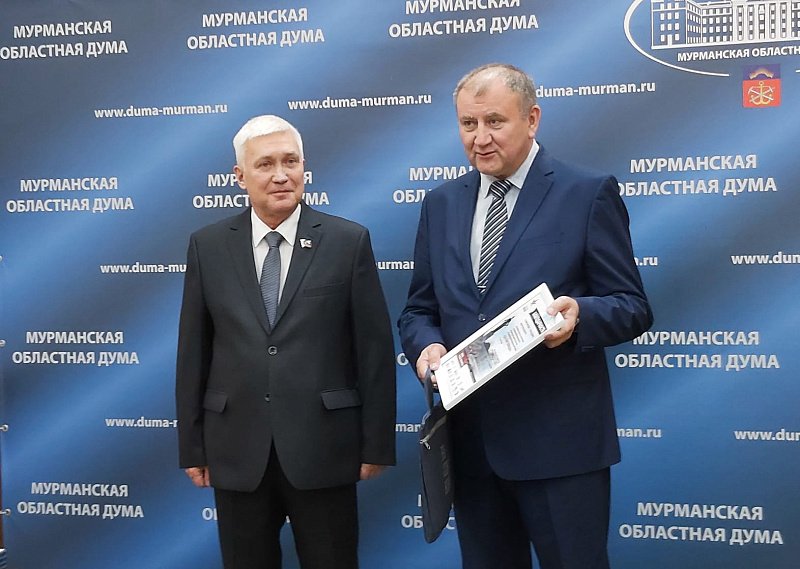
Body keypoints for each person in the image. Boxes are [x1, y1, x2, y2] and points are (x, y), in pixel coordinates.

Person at [398, 64, 653, 569]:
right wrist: (426, 347)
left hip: (560, 448)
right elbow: (419, 310)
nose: (480, 138)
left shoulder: (586, 192)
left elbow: (631, 305)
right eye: (468, 124)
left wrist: (578, 316)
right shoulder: (441, 203)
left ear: (532, 119)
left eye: (495, 121)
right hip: (472, 449)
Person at [176, 115, 396, 569]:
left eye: (290, 161)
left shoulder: (347, 241)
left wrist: (376, 444)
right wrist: (192, 446)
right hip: (236, 450)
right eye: (265, 164)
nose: (281, 175)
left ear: (304, 168)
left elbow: (373, 352)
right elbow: (193, 352)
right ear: (240, 176)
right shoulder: (207, 246)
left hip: (325, 448)